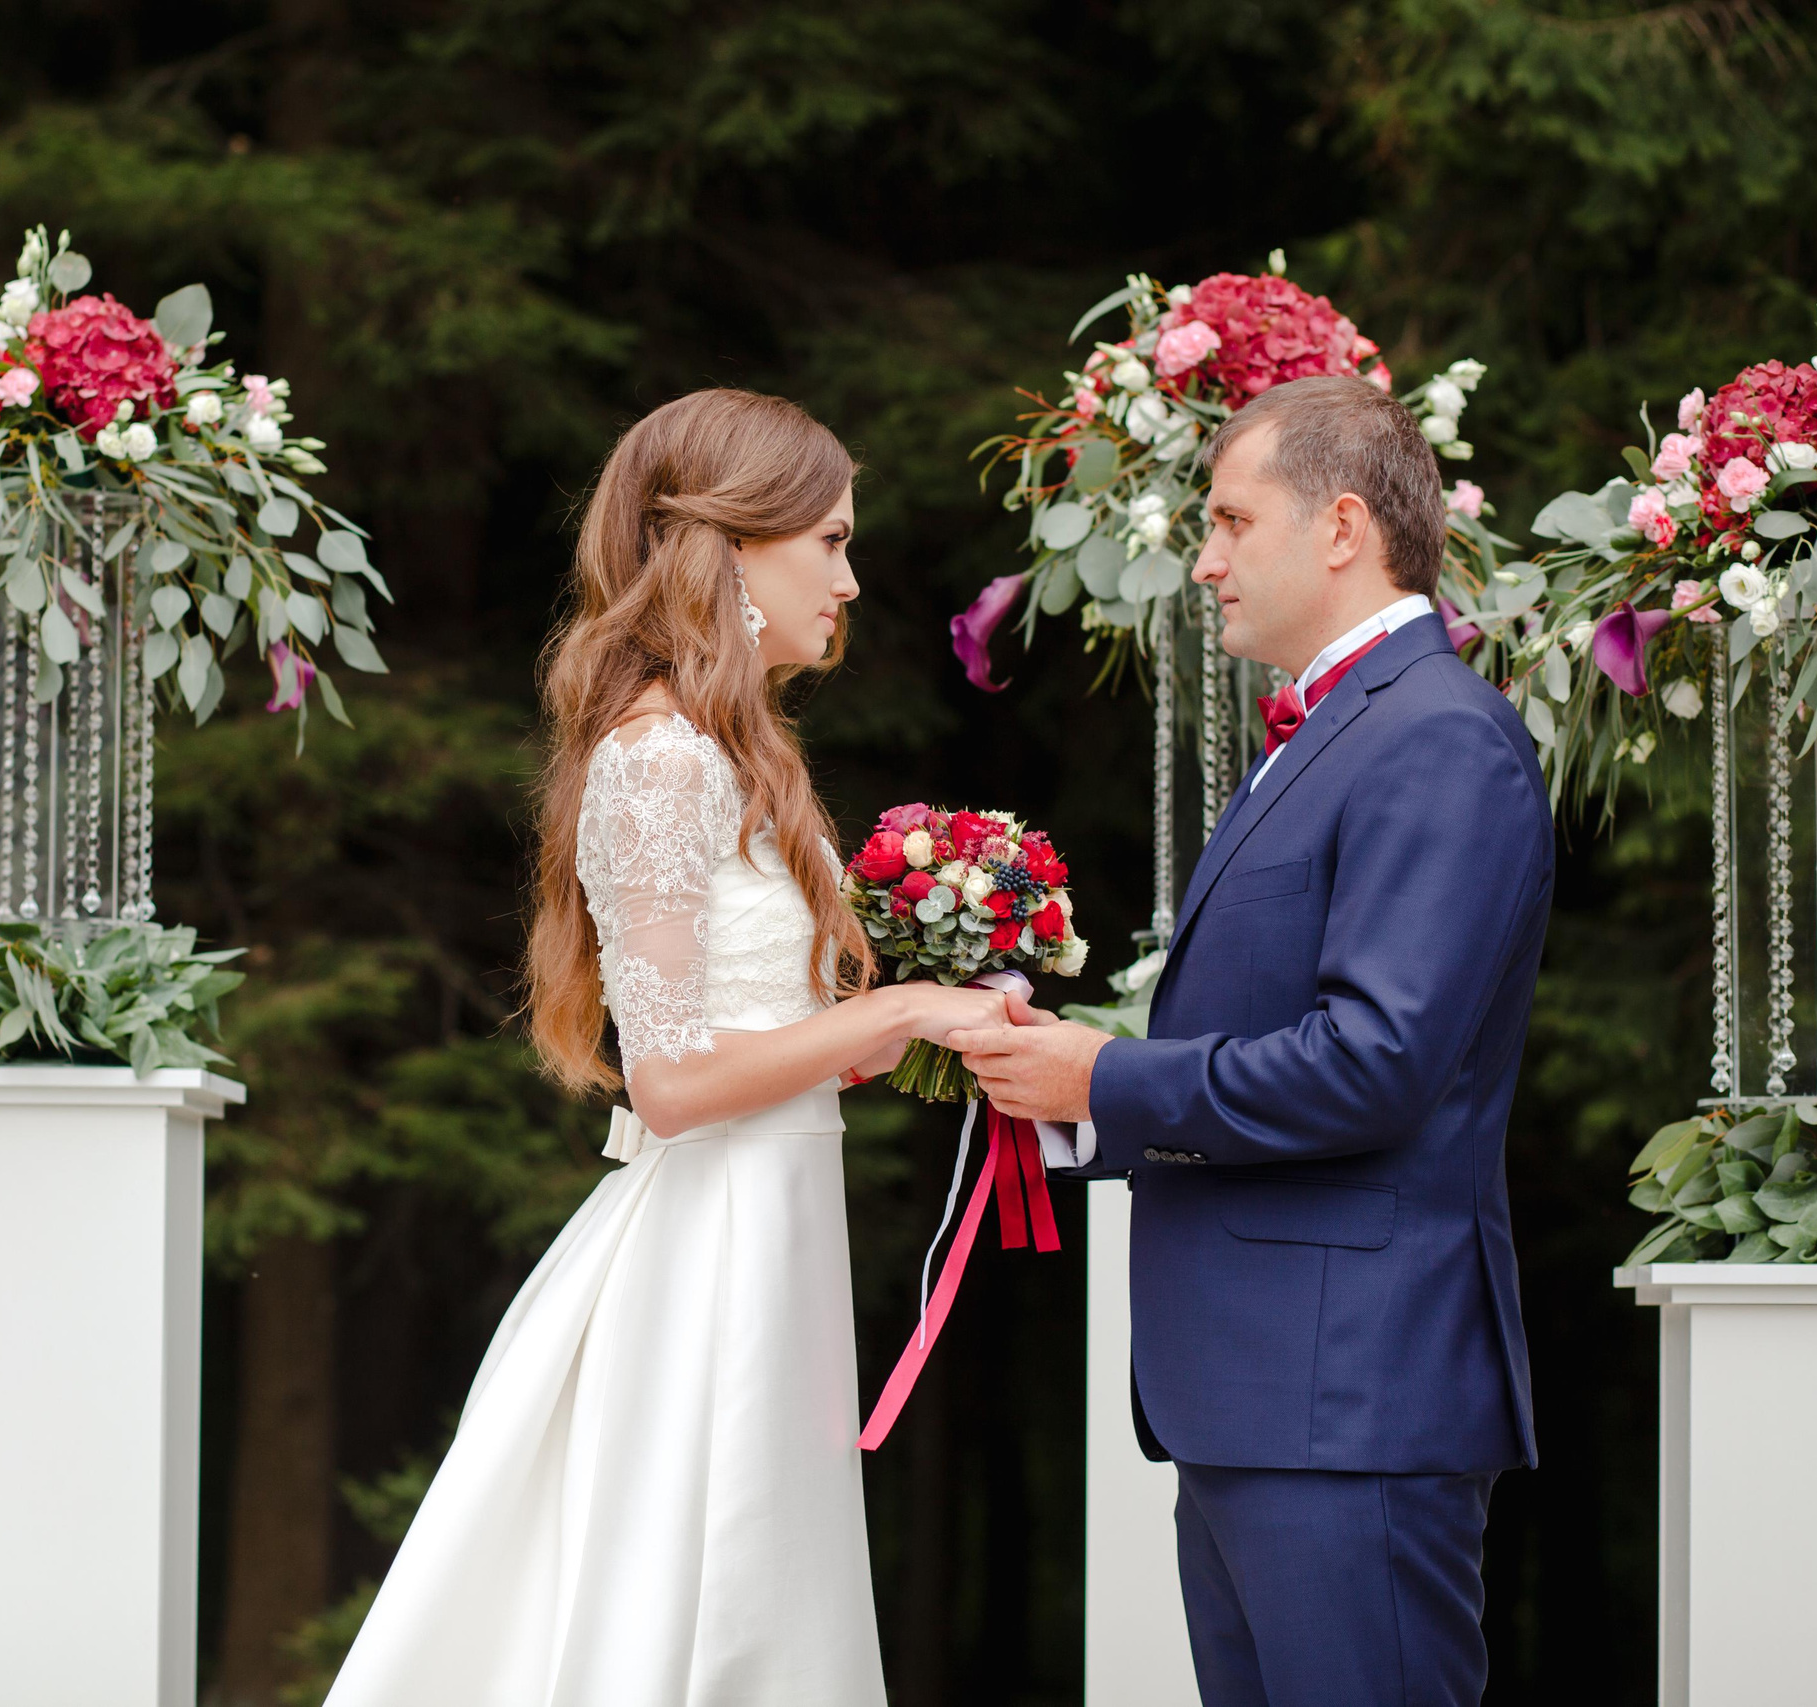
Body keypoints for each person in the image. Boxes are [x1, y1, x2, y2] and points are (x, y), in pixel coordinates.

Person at [322, 387, 1003, 1707]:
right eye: (833, 542)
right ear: (737, 543)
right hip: (711, 1248)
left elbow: (775, 1041)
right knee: (695, 1604)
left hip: (779, 1227)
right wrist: (899, 1011)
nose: (851, 581)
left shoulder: (744, 756)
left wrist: (929, 1033)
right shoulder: (661, 759)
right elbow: (673, 1083)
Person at [951, 373, 1551, 1707]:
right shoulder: (1335, 732)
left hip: (1349, 1398)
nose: (1206, 559)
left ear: (1342, 527)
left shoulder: (1440, 739)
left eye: (1229, 521)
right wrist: (1064, 1083)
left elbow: (1374, 1061)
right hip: (1262, 1398)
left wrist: (1105, 1076)